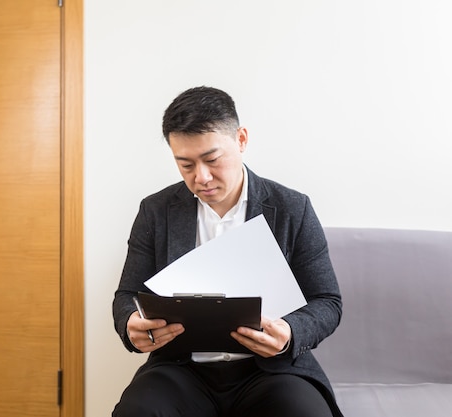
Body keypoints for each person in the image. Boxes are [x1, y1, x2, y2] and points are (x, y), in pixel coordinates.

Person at [112, 86, 343, 417]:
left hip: (271, 370)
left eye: (212, 159)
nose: (201, 178)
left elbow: (327, 301)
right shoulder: (156, 210)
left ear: (241, 140)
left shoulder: (292, 207)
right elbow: (127, 295)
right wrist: (131, 324)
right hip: (181, 369)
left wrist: (290, 334)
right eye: (185, 164)